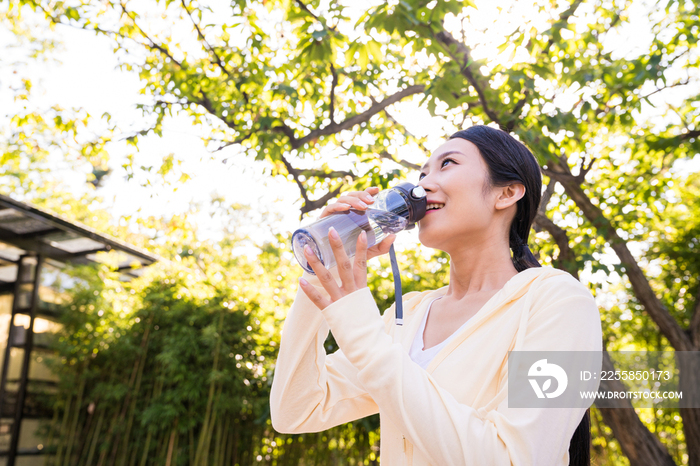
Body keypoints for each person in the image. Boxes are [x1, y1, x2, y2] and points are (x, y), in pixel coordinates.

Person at [270, 125, 603, 465]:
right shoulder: (409, 314)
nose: (422, 184)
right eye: (422, 172)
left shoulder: (560, 302)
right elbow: (296, 410)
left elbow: (515, 459)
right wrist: (323, 263)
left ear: (506, 194)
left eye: (448, 164)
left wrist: (365, 338)